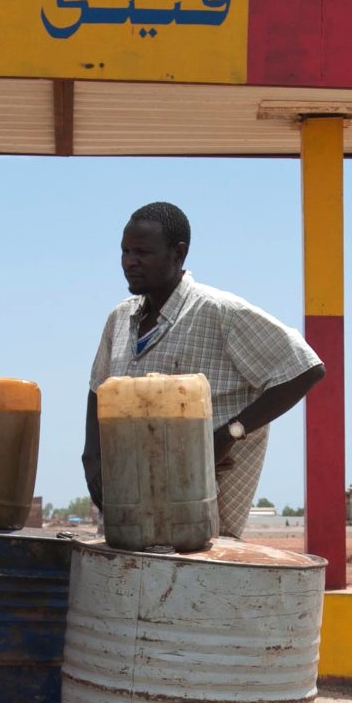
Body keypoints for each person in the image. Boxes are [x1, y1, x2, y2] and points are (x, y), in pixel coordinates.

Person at [81, 202, 326, 535]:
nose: (129, 262)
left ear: (178, 253)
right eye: (124, 251)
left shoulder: (218, 312)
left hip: (202, 526)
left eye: (142, 252)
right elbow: (99, 389)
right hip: (127, 514)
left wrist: (229, 434)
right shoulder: (120, 320)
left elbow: (305, 368)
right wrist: (92, 459)